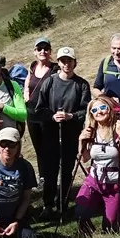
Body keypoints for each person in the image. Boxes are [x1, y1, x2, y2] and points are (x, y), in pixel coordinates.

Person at [28, 45, 92, 217]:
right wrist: (52, 117)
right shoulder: (50, 82)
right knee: (50, 170)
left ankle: (62, 203)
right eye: (63, 61)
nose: (66, 64)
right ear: (59, 62)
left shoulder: (81, 85)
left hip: (71, 134)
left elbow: (86, 110)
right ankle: (47, 205)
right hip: (51, 132)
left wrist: (71, 116)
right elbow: (39, 109)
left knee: (66, 169)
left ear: (74, 62)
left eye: (69, 61)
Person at [74, 96, 120, 237]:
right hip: (94, 179)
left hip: (115, 182)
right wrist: (81, 141)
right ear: (91, 114)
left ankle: (110, 225)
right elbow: (84, 158)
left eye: (102, 108)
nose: (99, 112)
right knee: (80, 211)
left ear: (110, 109)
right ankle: (89, 235)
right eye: (94, 110)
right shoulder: (91, 130)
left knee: (111, 229)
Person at [22, 39, 58, 206]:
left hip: (47, 115)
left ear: (50, 52)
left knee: (49, 149)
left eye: (46, 49)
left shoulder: (55, 69)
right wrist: (26, 95)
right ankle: (43, 179)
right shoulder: (32, 67)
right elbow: (28, 84)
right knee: (38, 149)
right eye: (39, 49)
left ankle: (51, 183)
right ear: (34, 52)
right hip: (32, 115)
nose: (43, 51)